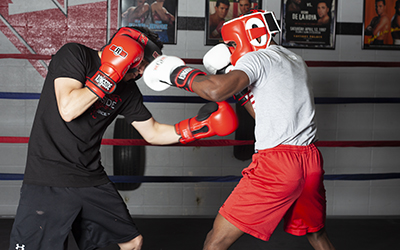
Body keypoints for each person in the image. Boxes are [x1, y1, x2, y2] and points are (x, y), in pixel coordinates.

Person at [8, 26, 238, 250]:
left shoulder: (128, 91)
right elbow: (68, 109)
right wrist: (109, 73)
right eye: (140, 65)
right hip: (47, 177)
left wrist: (199, 127)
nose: (139, 74)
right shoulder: (75, 54)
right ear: (121, 50)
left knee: (132, 242)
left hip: (91, 178)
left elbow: (153, 132)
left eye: (145, 69)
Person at [143, 10, 336, 250]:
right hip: (310, 161)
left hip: (277, 166)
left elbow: (215, 91)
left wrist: (175, 73)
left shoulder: (257, 59)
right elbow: (263, 114)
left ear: (249, 34)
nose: (232, 51)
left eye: (232, 44)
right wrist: (239, 88)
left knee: (215, 242)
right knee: (316, 235)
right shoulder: (295, 59)